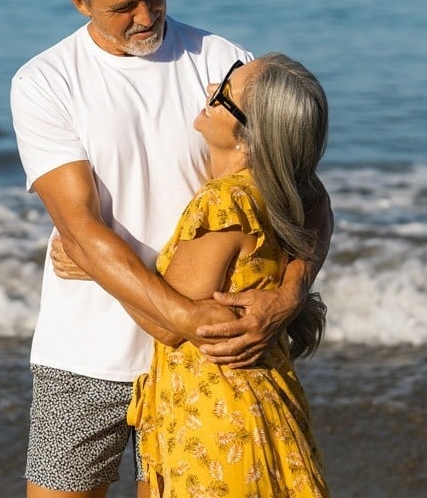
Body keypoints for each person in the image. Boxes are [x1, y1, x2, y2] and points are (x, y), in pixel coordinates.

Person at [11, 0, 331, 498]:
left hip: (209, 365)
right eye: (122, 6)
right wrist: (181, 318)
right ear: (80, 1)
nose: (145, 15)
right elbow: (79, 224)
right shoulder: (45, 82)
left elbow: (303, 191)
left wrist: (288, 297)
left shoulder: (220, 62)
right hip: (90, 356)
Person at [124, 53, 330, 497]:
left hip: (217, 424)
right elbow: (322, 208)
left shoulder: (224, 203)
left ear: (248, 137)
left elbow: (167, 325)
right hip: (265, 407)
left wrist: (90, 258)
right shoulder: (285, 192)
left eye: (224, 94)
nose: (210, 90)